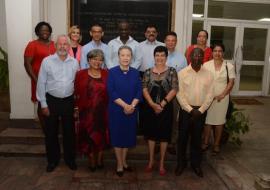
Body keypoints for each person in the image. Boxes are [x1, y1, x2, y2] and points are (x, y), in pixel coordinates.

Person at [36, 35, 79, 172]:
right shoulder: (47, 61)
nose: (62, 46)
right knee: (51, 133)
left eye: (65, 44)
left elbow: (76, 84)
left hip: (68, 101)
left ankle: (70, 159)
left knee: (69, 133)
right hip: (51, 101)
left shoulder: (74, 62)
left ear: (68, 46)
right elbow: (41, 83)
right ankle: (52, 161)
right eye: (60, 44)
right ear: (55, 46)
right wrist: (43, 104)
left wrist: (76, 105)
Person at [175, 48, 214, 177]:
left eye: (200, 55)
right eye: (194, 55)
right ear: (190, 57)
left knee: (197, 139)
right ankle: (181, 164)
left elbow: (210, 94)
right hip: (186, 110)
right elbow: (179, 94)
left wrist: (201, 110)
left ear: (203, 58)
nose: (197, 57)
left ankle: (196, 164)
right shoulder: (182, 73)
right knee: (182, 138)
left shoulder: (209, 74)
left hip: (201, 111)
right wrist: (190, 110)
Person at [141, 46, 178, 176]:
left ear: (166, 57)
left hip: (166, 108)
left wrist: (162, 104)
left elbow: (174, 89)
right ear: (154, 56)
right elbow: (144, 88)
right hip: (150, 108)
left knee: (164, 136)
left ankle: (161, 163)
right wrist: (152, 104)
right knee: (151, 135)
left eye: (162, 55)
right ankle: (151, 161)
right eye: (157, 55)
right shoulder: (147, 72)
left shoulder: (172, 71)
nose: (160, 58)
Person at [107, 46, 142, 177]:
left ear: (131, 57)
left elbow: (139, 91)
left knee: (128, 136)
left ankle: (125, 161)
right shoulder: (112, 72)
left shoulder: (135, 72)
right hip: (116, 110)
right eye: (123, 55)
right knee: (117, 137)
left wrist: (131, 106)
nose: (125, 58)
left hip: (131, 110)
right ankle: (119, 164)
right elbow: (111, 91)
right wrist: (124, 106)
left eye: (128, 55)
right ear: (118, 57)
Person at [74, 49, 110, 172]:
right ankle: (91, 159)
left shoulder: (107, 74)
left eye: (100, 59)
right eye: (94, 59)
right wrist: (76, 108)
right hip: (86, 112)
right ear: (89, 60)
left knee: (101, 136)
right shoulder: (80, 74)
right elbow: (76, 92)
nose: (97, 61)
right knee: (88, 137)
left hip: (102, 112)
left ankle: (100, 158)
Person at [202, 43, 235, 154]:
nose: (217, 53)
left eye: (220, 51)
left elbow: (231, 82)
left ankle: (216, 144)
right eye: (215, 51)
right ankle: (206, 142)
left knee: (220, 122)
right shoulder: (206, 65)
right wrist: (206, 95)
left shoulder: (229, 66)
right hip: (208, 98)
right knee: (208, 121)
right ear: (212, 52)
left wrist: (223, 94)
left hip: (222, 98)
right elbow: (203, 81)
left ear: (223, 53)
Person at [24, 21, 56, 125]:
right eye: (42, 30)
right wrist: (36, 80)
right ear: (37, 32)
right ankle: (44, 127)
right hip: (38, 79)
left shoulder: (54, 44)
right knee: (41, 102)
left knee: (51, 101)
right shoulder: (32, 45)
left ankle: (51, 124)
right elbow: (27, 64)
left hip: (53, 80)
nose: (45, 32)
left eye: (47, 30)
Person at [164, 31, 187, 155]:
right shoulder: (160, 54)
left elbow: (184, 77)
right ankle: (159, 141)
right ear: (165, 41)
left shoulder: (181, 57)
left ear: (176, 42)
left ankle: (172, 143)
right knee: (161, 117)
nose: (171, 42)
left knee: (173, 118)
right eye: (168, 40)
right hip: (161, 92)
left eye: (173, 40)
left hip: (175, 92)